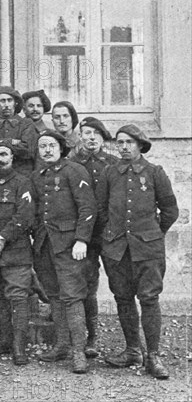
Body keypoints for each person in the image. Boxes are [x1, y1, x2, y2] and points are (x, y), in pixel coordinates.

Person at [96, 124, 178, 379]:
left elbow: (170, 211)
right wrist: (109, 239)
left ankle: (152, 356)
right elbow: (100, 211)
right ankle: (133, 349)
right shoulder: (110, 173)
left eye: (129, 142)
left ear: (140, 145)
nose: (123, 147)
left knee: (149, 298)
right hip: (117, 249)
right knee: (122, 297)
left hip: (147, 249)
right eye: (119, 142)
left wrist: (151, 233)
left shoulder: (155, 172)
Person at [31, 129, 96, 374]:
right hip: (44, 243)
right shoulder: (38, 176)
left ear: (61, 148)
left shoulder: (74, 170)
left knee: (72, 296)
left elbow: (88, 208)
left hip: (69, 245)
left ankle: (79, 352)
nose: (46, 150)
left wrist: (81, 240)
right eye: (42, 146)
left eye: (51, 145)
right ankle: (62, 345)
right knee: (55, 296)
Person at [0, 142, 35, 365]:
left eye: (4, 154)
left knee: (18, 298)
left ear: (12, 158)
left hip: (16, 251)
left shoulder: (23, 183)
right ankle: (4, 340)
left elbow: (25, 215)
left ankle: (19, 347)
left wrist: (2, 239)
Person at [71, 116, 119, 357]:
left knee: (121, 285)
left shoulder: (114, 163)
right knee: (88, 286)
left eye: (95, 133)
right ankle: (92, 337)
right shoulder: (73, 162)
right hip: (85, 234)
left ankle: (133, 344)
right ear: (80, 137)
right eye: (85, 133)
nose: (90, 138)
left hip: (110, 233)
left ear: (103, 137)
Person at [0, 87, 38, 175]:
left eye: (10, 100)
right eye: (3, 101)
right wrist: (12, 142)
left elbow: (28, 150)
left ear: (15, 103)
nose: (6, 105)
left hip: (22, 174)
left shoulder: (26, 123)